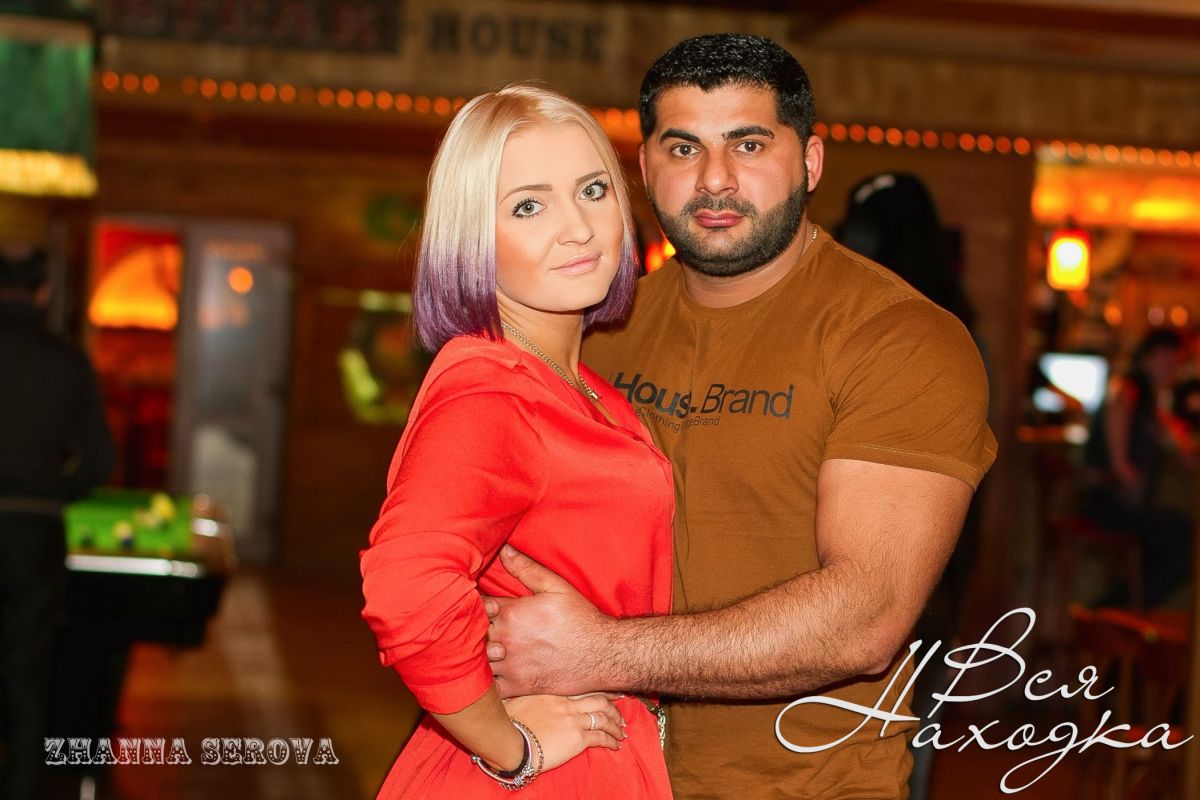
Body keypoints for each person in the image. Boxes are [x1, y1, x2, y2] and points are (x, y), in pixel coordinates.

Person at [483, 34, 997, 799]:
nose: (714, 179)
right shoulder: (593, 329)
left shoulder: (899, 337)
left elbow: (867, 617)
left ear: (810, 162)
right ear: (645, 167)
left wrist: (599, 652)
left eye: (749, 145)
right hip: (591, 772)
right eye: (683, 148)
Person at [358, 85, 674, 797]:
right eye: (529, 206)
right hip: (546, 769)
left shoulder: (580, 388)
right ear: (472, 237)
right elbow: (406, 588)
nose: (579, 228)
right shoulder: (491, 388)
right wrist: (510, 746)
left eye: (593, 190)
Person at [0, 244, 115, 800]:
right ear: (44, 291)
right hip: (33, 534)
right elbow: (99, 461)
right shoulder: (66, 361)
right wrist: (54, 492)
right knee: (26, 674)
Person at [1081, 328, 1193, 607]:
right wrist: (1122, 469)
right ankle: (1112, 612)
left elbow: (1177, 442)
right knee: (1182, 538)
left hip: (1119, 504)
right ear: (1155, 354)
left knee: (1176, 540)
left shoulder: (1148, 399)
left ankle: (1118, 611)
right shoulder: (1128, 388)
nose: (1175, 368)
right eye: (1172, 359)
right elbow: (1118, 411)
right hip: (1106, 503)